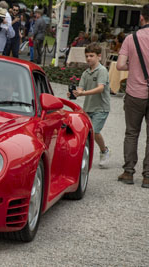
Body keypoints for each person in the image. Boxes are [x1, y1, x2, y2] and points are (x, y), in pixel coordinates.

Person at [116, 4, 149, 187]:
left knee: (131, 133)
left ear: (142, 18)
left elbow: (120, 65)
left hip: (135, 93)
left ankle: (128, 172)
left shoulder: (131, 38)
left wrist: (134, 66)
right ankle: (147, 177)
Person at [68, 43, 110, 168]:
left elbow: (100, 88)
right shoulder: (86, 73)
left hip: (101, 108)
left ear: (99, 56)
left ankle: (104, 151)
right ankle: (84, 155)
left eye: (91, 56)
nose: (88, 59)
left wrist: (83, 93)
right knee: (86, 133)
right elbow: (81, 88)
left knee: (95, 132)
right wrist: (75, 93)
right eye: (87, 56)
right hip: (88, 107)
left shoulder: (102, 71)